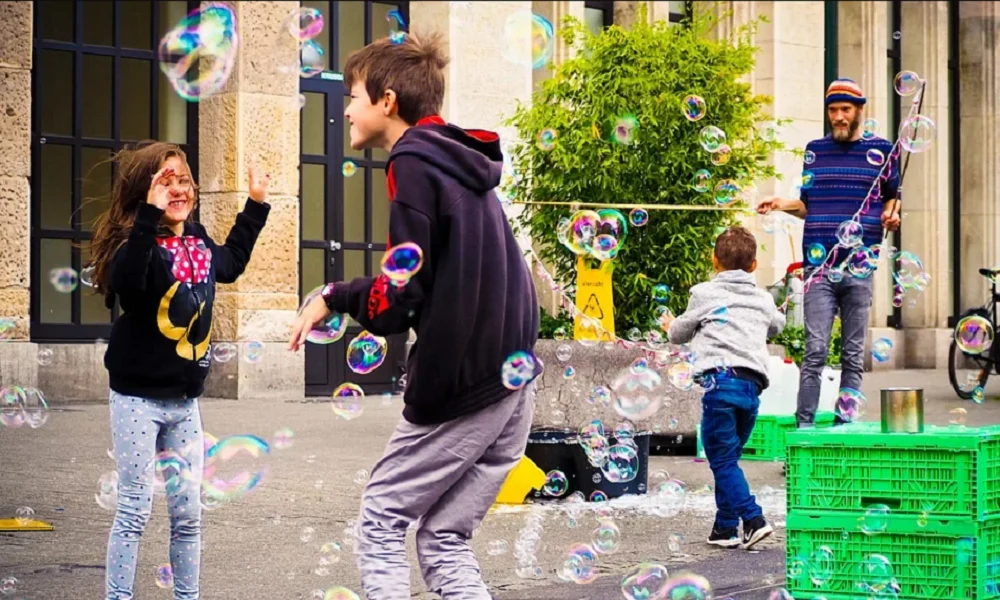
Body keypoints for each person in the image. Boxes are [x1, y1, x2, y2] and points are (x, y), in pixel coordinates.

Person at [288, 32, 540, 600]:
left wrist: (339, 295)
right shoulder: (460, 162)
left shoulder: (413, 162)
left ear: (388, 101)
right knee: (445, 536)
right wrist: (341, 292)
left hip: (464, 384)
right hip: (513, 382)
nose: (346, 108)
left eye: (352, 95)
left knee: (381, 517)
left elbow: (398, 299)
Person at [89, 141, 270, 600]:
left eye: (183, 180)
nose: (177, 189)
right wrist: (148, 220)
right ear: (144, 193)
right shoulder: (136, 245)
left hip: (185, 400)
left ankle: (187, 597)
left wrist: (255, 205)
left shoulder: (198, 240)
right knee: (134, 507)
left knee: (188, 513)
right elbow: (130, 285)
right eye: (163, 181)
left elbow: (230, 264)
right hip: (136, 397)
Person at [756, 78, 900, 428]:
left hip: (859, 265)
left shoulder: (883, 151)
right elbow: (807, 206)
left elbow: (892, 198)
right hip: (819, 268)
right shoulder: (815, 151)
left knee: (852, 354)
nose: (838, 116)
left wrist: (892, 214)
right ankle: (803, 429)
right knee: (814, 351)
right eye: (833, 110)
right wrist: (780, 204)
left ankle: (843, 429)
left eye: (845, 110)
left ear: (859, 111)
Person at [666, 226, 785, 550]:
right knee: (729, 458)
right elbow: (777, 325)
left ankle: (754, 518)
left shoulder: (705, 293)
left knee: (721, 461)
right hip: (751, 389)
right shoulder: (762, 298)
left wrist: (668, 324)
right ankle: (725, 528)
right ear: (754, 266)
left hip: (719, 386)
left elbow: (678, 333)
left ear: (714, 261)